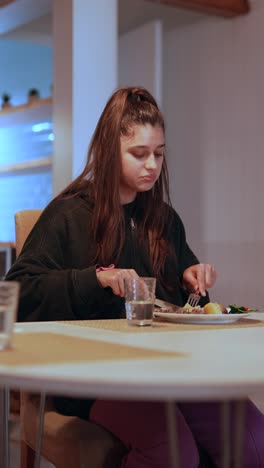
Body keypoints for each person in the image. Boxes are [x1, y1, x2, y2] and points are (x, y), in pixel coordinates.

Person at [6, 86, 264, 467]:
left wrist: (195, 279)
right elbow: (19, 290)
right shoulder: (67, 214)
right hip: (92, 374)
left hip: (170, 367)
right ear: (111, 152)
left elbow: (189, 304)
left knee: (254, 441)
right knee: (172, 453)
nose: (152, 165)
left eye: (158, 154)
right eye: (139, 154)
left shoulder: (164, 219)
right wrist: (93, 280)